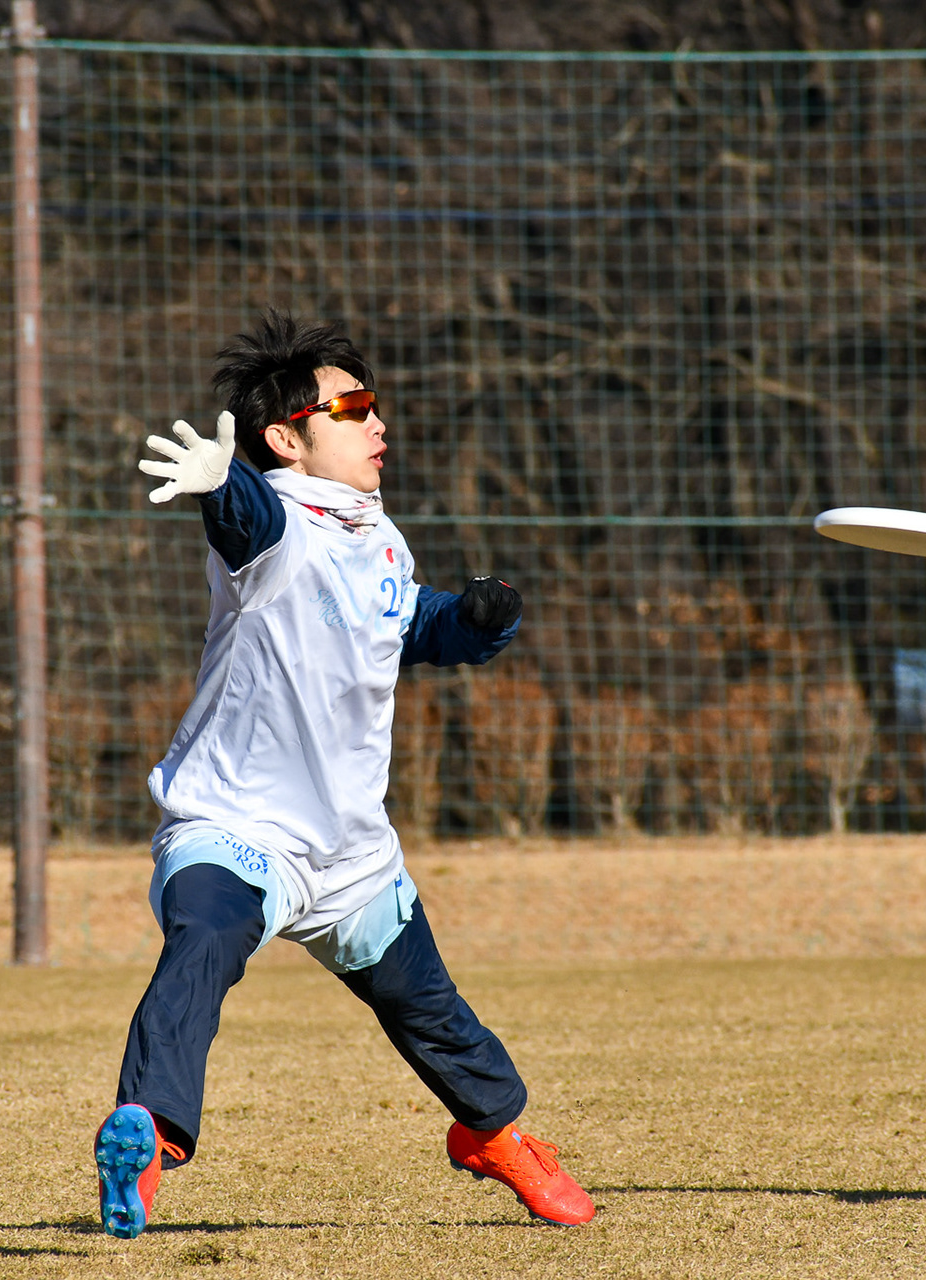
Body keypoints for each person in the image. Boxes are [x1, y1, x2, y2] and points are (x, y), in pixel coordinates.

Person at [93, 310, 595, 1239]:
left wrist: (477, 619)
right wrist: (223, 484)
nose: (378, 424)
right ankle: (148, 1134)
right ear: (287, 440)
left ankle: (495, 1136)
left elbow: (409, 624)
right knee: (203, 941)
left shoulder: (380, 536)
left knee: (433, 1014)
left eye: (374, 406)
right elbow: (248, 522)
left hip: (351, 854)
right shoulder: (276, 522)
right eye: (352, 409)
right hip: (235, 830)